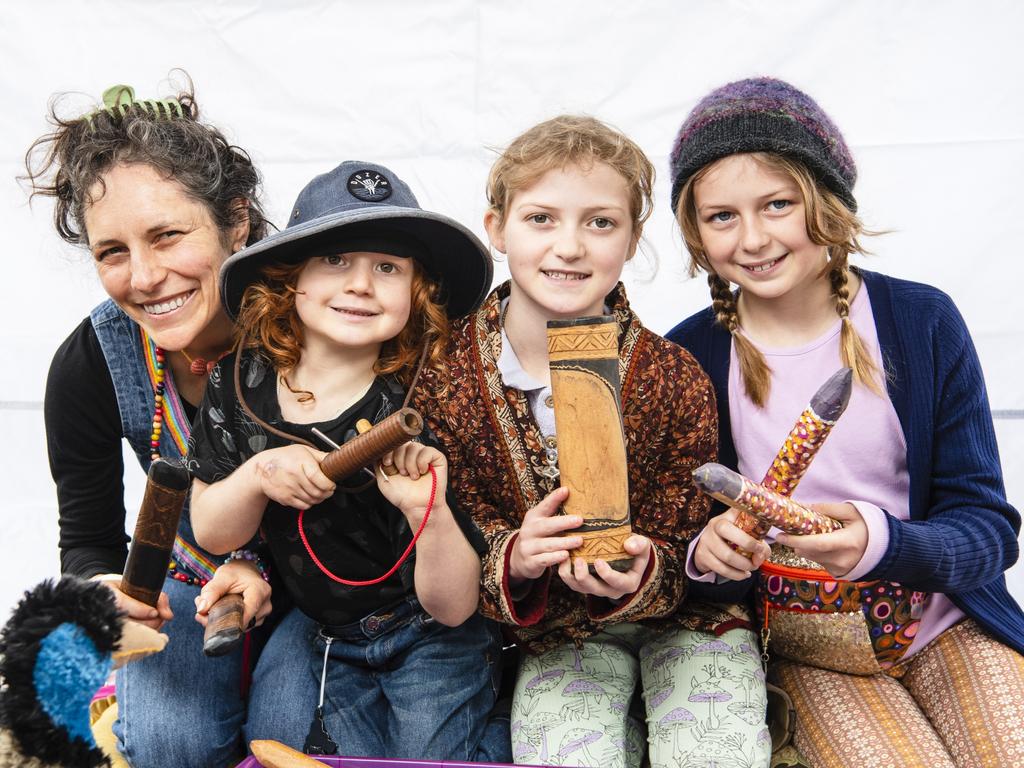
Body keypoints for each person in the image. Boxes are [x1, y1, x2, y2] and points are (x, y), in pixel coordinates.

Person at [667, 77, 1024, 767]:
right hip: (808, 654)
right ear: (695, 230)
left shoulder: (921, 323)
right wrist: (707, 557)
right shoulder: (688, 356)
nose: (753, 238)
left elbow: (988, 532)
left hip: (949, 627)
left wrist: (883, 541)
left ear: (826, 201)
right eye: (722, 216)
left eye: (778, 204)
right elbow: (678, 552)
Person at [415, 115, 770, 768]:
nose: (570, 247)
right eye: (542, 219)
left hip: (689, 624)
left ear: (634, 237)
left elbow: (688, 527)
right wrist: (515, 556)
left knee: (715, 751)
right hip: (557, 636)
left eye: (600, 222)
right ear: (497, 228)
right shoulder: (444, 375)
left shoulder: (672, 374)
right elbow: (460, 527)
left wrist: (645, 566)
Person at [187, 160, 506, 762]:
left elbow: (456, 604)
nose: (361, 284)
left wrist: (427, 513)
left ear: (417, 295)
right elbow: (211, 529)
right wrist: (256, 476)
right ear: (291, 279)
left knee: (427, 759)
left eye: (388, 268)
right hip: (326, 635)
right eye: (336, 261)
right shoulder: (240, 380)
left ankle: (493, 728)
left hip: (430, 633)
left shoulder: (427, 396)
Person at [26, 80, 283, 767]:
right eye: (113, 252)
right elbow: (86, 541)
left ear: (236, 220)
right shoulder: (93, 363)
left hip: (332, 578)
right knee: (172, 745)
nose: (144, 277)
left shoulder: (320, 315)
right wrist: (105, 592)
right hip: (192, 579)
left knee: (290, 737)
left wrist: (268, 576)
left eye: (168, 236)